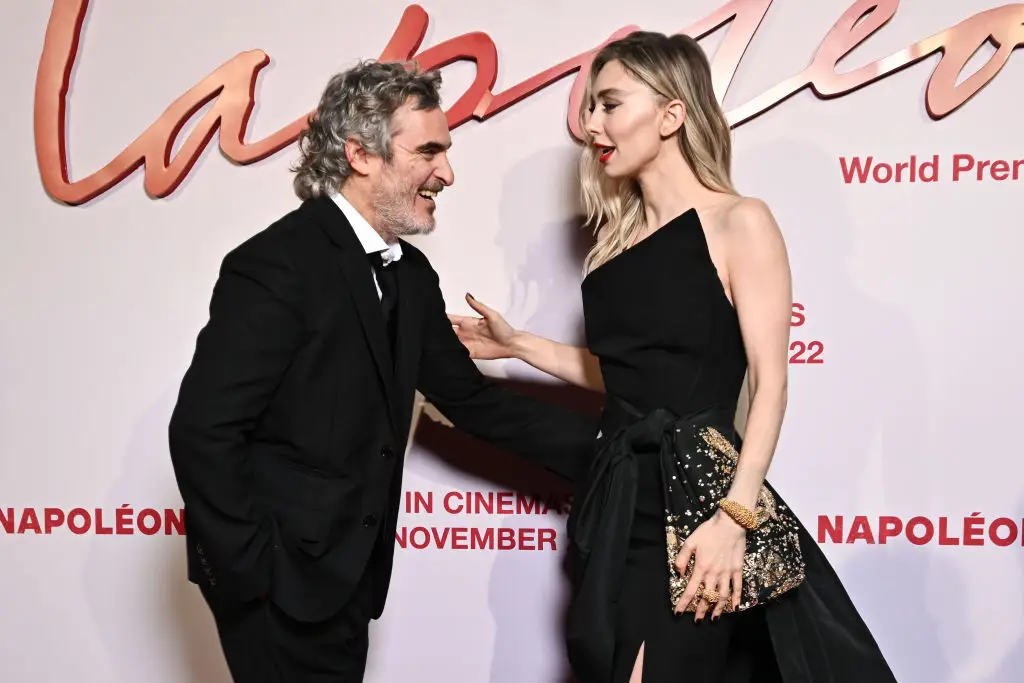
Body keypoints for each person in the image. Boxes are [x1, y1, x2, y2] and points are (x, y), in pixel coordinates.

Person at [448, 32, 898, 683]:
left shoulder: (740, 221)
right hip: (619, 496)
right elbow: (630, 381)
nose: (591, 124)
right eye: (591, 107)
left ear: (671, 114)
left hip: (699, 501)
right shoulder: (617, 244)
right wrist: (520, 344)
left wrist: (735, 517)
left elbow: (770, 383)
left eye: (609, 104)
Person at [167, 60, 597, 683]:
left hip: (350, 579)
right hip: (279, 586)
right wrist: (252, 574)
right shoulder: (276, 265)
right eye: (429, 151)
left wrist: (616, 447)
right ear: (360, 154)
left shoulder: (410, 276)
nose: (447, 173)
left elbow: (474, 403)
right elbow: (203, 430)